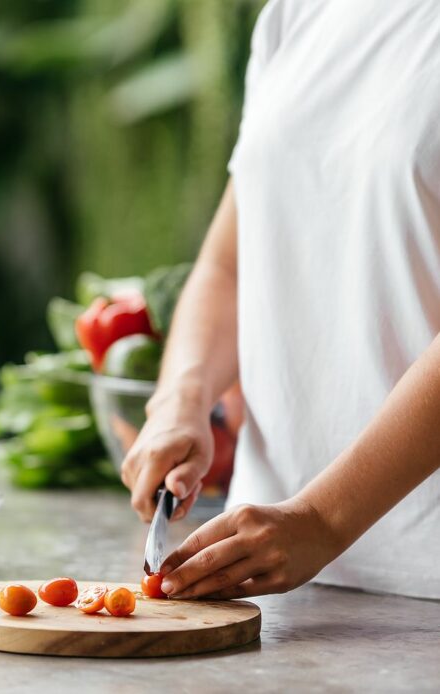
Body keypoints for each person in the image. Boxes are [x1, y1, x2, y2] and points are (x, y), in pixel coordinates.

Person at [120, 0, 440, 600]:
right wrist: (182, 398)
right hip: (259, 578)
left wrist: (323, 519)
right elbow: (230, 263)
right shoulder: (296, 14)